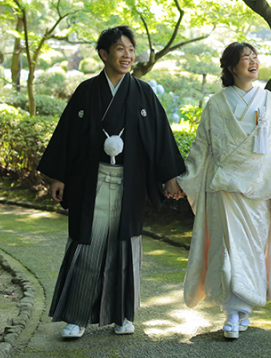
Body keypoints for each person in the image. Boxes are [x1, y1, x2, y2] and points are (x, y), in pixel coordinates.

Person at [37, 25, 186, 339]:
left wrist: (170, 177)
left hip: (128, 184)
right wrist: (58, 176)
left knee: (124, 249)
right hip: (90, 183)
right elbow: (68, 137)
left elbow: (160, 138)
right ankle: (76, 317)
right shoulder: (87, 91)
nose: (128, 55)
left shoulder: (143, 93)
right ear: (103, 54)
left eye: (131, 49)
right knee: (86, 244)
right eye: (120, 49)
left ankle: (122, 315)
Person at [166, 42, 271, 339]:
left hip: (259, 192)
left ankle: (242, 310)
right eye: (245, 58)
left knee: (252, 253)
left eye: (255, 57)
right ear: (231, 67)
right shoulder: (216, 103)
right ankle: (232, 311)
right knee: (225, 252)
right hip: (223, 190)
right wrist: (183, 179)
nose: (253, 62)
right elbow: (201, 147)